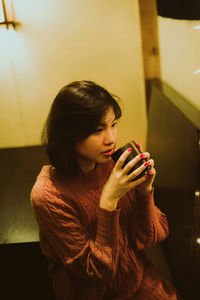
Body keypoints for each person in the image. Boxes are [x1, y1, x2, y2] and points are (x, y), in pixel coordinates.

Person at [31, 80, 183, 300]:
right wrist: (109, 200)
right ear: (69, 133)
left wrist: (144, 192)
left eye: (113, 124)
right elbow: (96, 271)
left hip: (137, 279)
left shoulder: (113, 165)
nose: (111, 138)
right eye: (98, 130)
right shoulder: (49, 195)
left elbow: (150, 237)